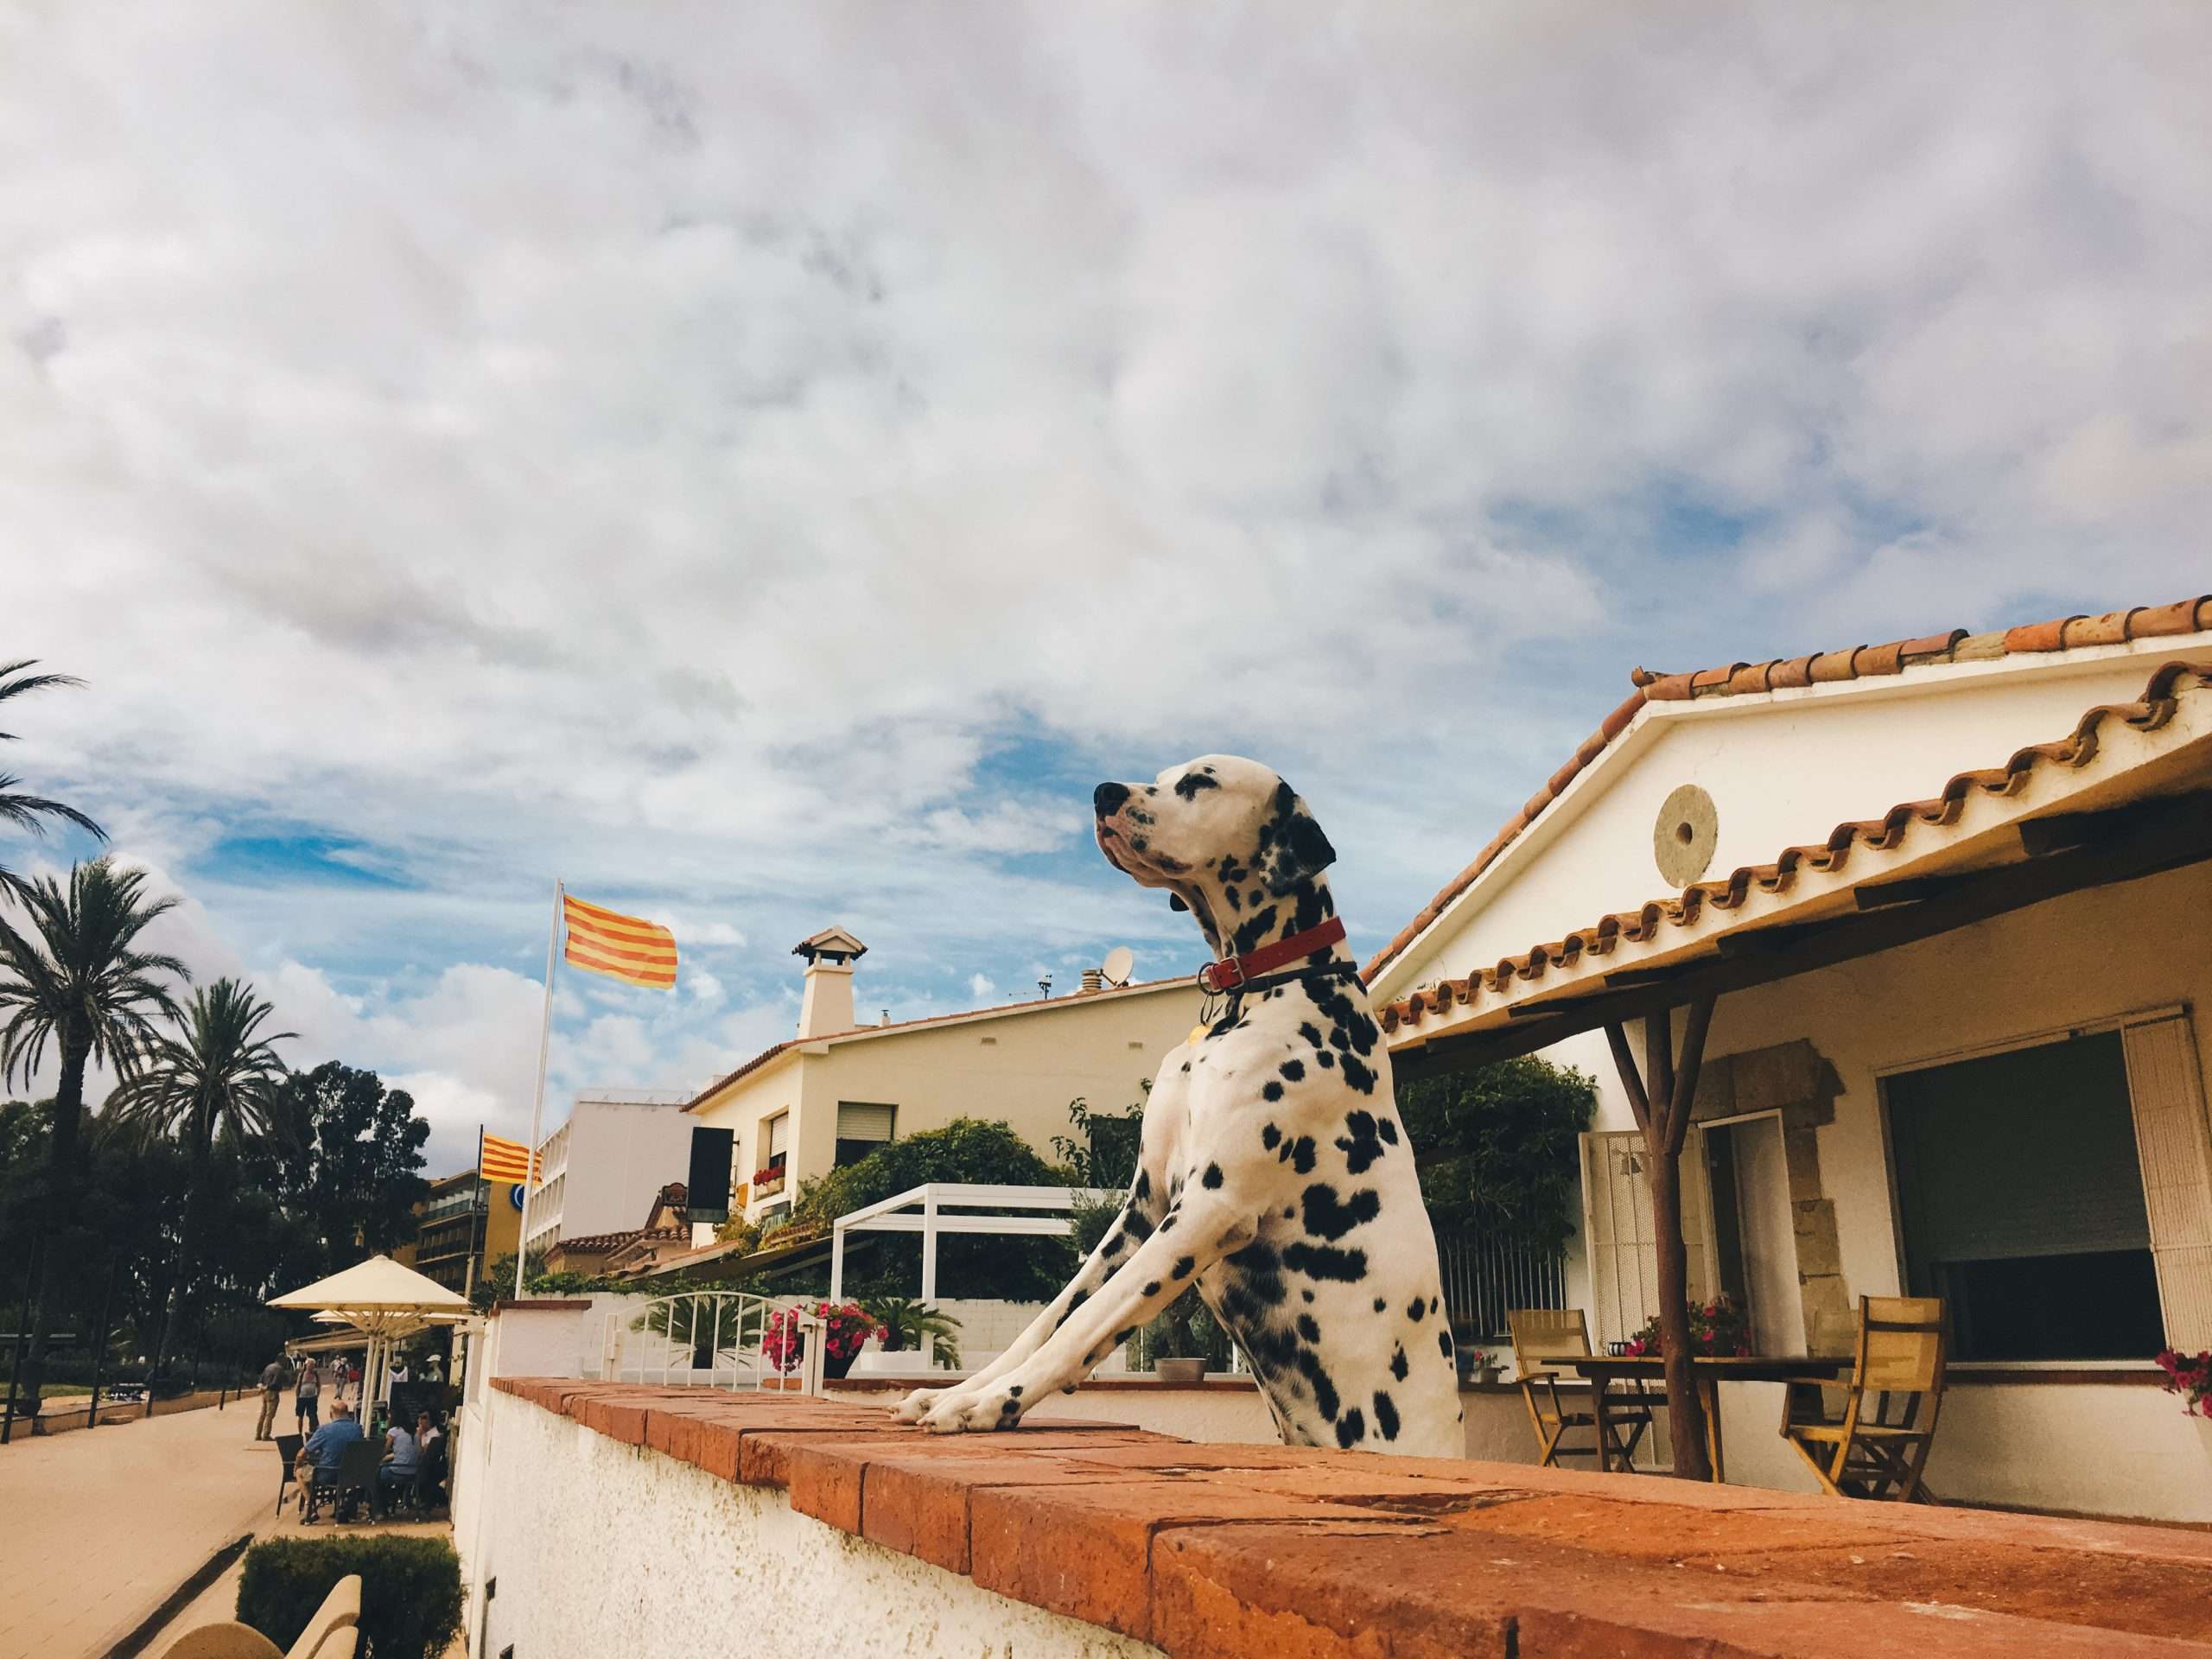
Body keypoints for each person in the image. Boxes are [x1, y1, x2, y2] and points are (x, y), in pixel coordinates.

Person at [297, 1399, 365, 1522]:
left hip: (327, 1474)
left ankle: (311, 1509)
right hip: (351, 1475)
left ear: (331, 1413)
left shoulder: (325, 1430)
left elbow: (302, 1453)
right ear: (347, 1412)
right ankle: (341, 1507)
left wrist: (297, 1465)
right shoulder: (358, 1429)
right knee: (342, 1464)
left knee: (299, 1473)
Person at [374, 1413, 420, 1517]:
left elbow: (383, 1451)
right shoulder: (418, 1433)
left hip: (398, 1472)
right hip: (413, 1472)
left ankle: (380, 1509)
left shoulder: (394, 1431)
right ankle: (392, 1502)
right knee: (386, 1470)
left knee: (376, 1475)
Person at [255, 1351, 294, 1441]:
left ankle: (258, 1434)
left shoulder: (268, 1367)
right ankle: (266, 1435)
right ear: (282, 1360)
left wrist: (263, 1388)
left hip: (264, 1393)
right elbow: (275, 1383)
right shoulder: (279, 1369)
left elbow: (261, 1379)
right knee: (270, 1415)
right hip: (272, 1392)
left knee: (263, 1414)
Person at [295, 1355, 322, 1433]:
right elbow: (298, 1385)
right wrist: (297, 1395)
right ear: (306, 1365)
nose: (311, 1367)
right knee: (300, 1416)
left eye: (312, 1365)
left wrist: (317, 1395)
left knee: (312, 1415)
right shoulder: (302, 1374)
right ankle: (299, 1433)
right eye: (310, 1365)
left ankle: (312, 1431)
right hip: (302, 1397)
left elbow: (319, 1385)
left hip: (312, 1397)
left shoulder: (316, 1375)